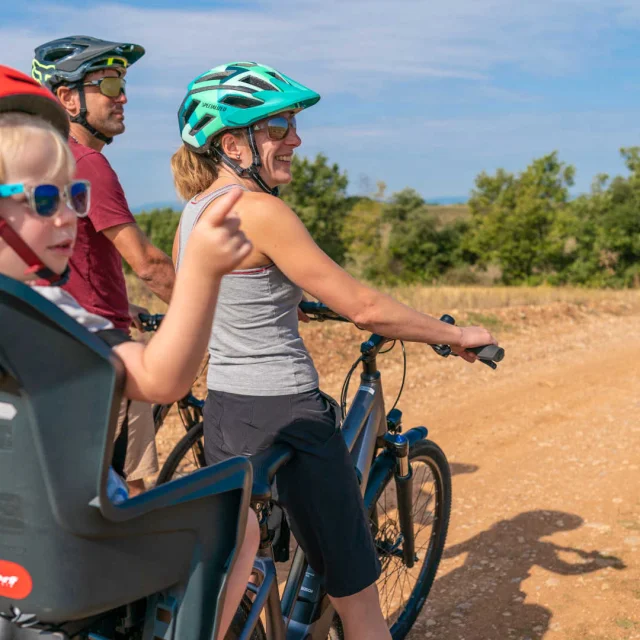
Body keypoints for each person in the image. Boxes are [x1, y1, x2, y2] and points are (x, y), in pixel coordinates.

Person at [171, 61, 500, 640]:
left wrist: (287, 299)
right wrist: (456, 336)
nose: (295, 139)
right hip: (287, 414)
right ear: (232, 142)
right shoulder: (261, 210)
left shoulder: (195, 212)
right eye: (277, 128)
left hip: (227, 409)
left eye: (293, 125)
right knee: (356, 593)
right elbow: (365, 308)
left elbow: (230, 294)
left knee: (238, 564)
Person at [0, 64, 258, 640]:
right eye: (45, 198)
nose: (71, 215)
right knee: (240, 521)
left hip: (11, 579)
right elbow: (163, 378)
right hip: (73, 565)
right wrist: (204, 275)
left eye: (75, 194)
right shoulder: (49, 314)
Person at [32, 36, 177, 493]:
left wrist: (116, 302)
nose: (122, 96)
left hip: (59, 346)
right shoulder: (88, 163)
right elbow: (150, 264)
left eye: (122, 83)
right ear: (67, 97)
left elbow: (62, 256)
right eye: (109, 84)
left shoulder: (42, 161)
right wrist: (217, 313)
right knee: (129, 490)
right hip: (103, 354)